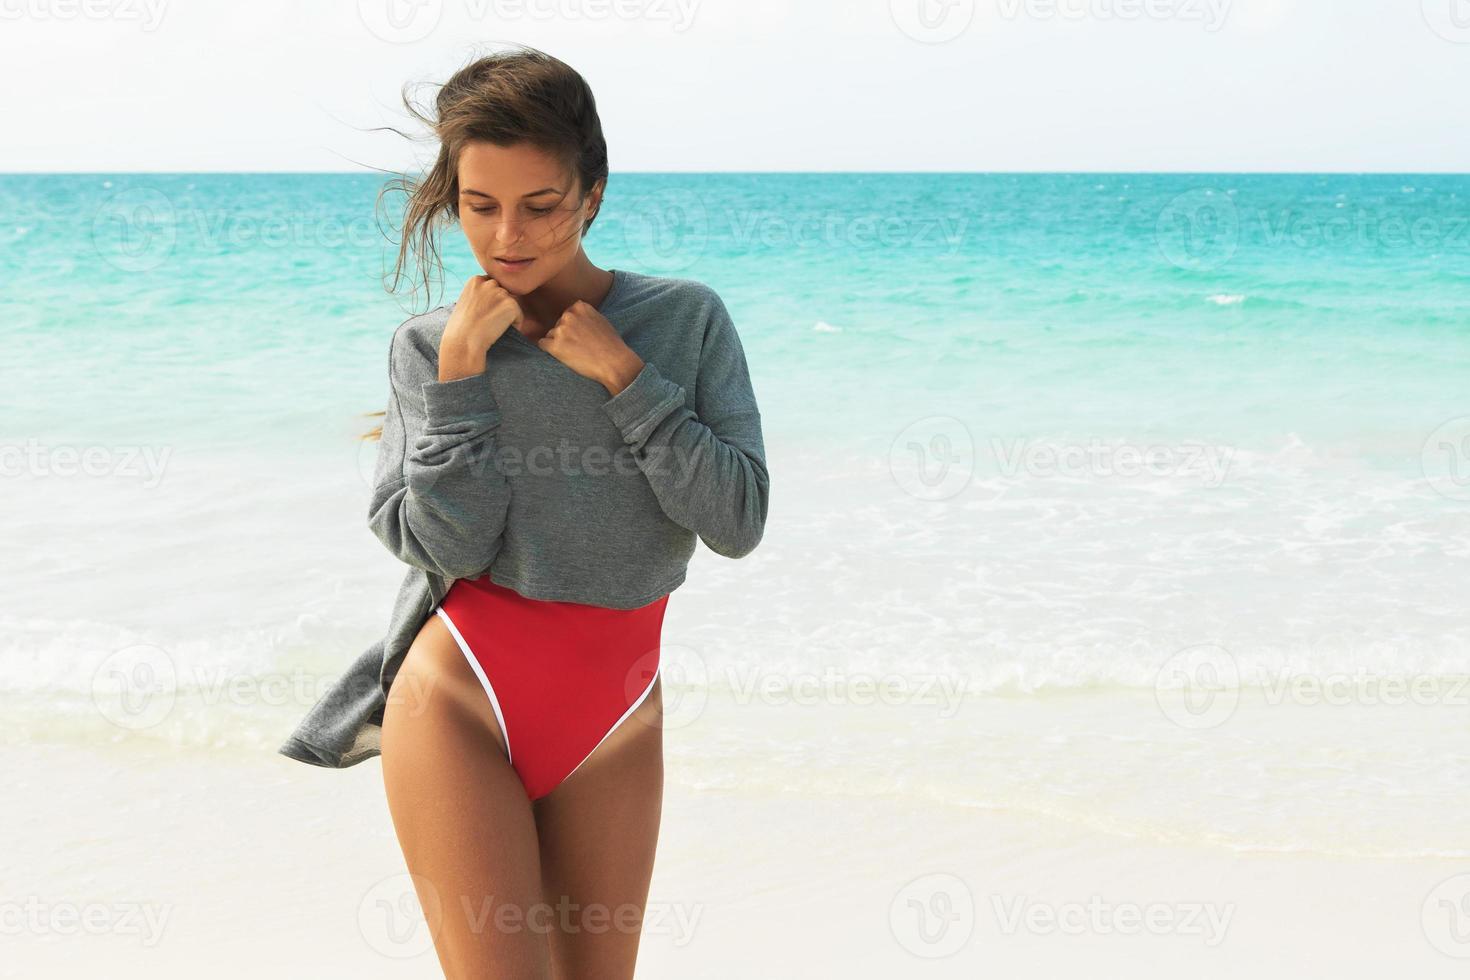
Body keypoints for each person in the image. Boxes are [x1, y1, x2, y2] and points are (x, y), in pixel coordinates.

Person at [277, 45, 770, 979]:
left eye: (540, 205)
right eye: (480, 206)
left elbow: (737, 520)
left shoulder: (686, 321)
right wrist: (461, 383)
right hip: (461, 697)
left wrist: (627, 378)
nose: (509, 235)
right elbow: (444, 545)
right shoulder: (430, 349)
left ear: (592, 193)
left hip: (617, 712)